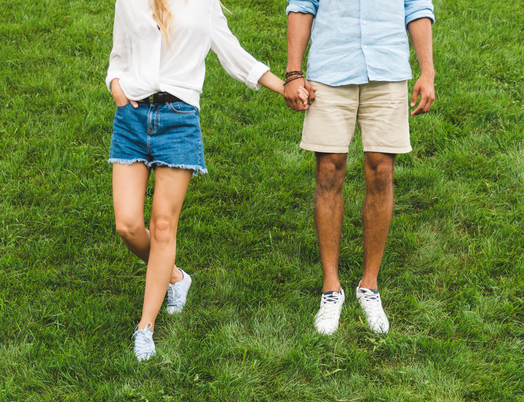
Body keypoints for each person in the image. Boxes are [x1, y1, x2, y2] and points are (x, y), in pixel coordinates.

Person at [108, 0, 291, 360]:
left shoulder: (204, 3)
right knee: (127, 225)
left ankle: (145, 327)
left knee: (163, 226)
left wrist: (282, 87)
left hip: (178, 120)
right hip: (131, 117)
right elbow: (119, 53)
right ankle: (175, 276)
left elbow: (233, 53)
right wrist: (115, 83)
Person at [284, 0, 436, 335]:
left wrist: (427, 72)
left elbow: (418, 9)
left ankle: (369, 285)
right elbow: (301, 7)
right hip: (330, 70)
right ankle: (330, 287)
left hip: (388, 70)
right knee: (328, 172)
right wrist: (293, 73)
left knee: (381, 172)